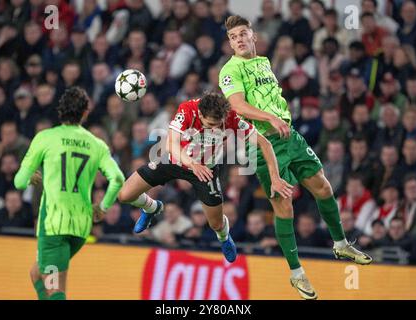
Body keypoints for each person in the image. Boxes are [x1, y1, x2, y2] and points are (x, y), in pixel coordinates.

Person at [219, 15, 372, 300]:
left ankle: (340, 244)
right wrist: (269, 118)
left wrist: (280, 119)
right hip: (262, 143)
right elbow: (238, 106)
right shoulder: (230, 70)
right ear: (230, 43)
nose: (238, 39)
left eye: (242, 34)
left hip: (289, 136)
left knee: (323, 187)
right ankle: (296, 273)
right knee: (284, 205)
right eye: (233, 37)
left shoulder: (263, 62)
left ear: (254, 36)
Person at [118, 92, 293, 264]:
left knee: (216, 224)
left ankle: (224, 238)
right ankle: (151, 207)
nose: (215, 130)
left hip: (206, 171)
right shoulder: (188, 110)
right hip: (174, 161)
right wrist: (193, 164)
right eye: (210, 125)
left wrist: (275, 177)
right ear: (200, 114)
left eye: (219, 125)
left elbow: (264, 143)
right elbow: (171, 144)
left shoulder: (231, 117)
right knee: (125, 195)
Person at [14, 87, 125, 300]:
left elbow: (19, 182)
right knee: (37, 273)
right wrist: (102, 208)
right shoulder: (97, 144)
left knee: (55, 289)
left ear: (60, 111)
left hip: (54, 226)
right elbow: (118, 179)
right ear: (85, 113)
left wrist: (30, 178)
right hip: (81, 226)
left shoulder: (46, 138)